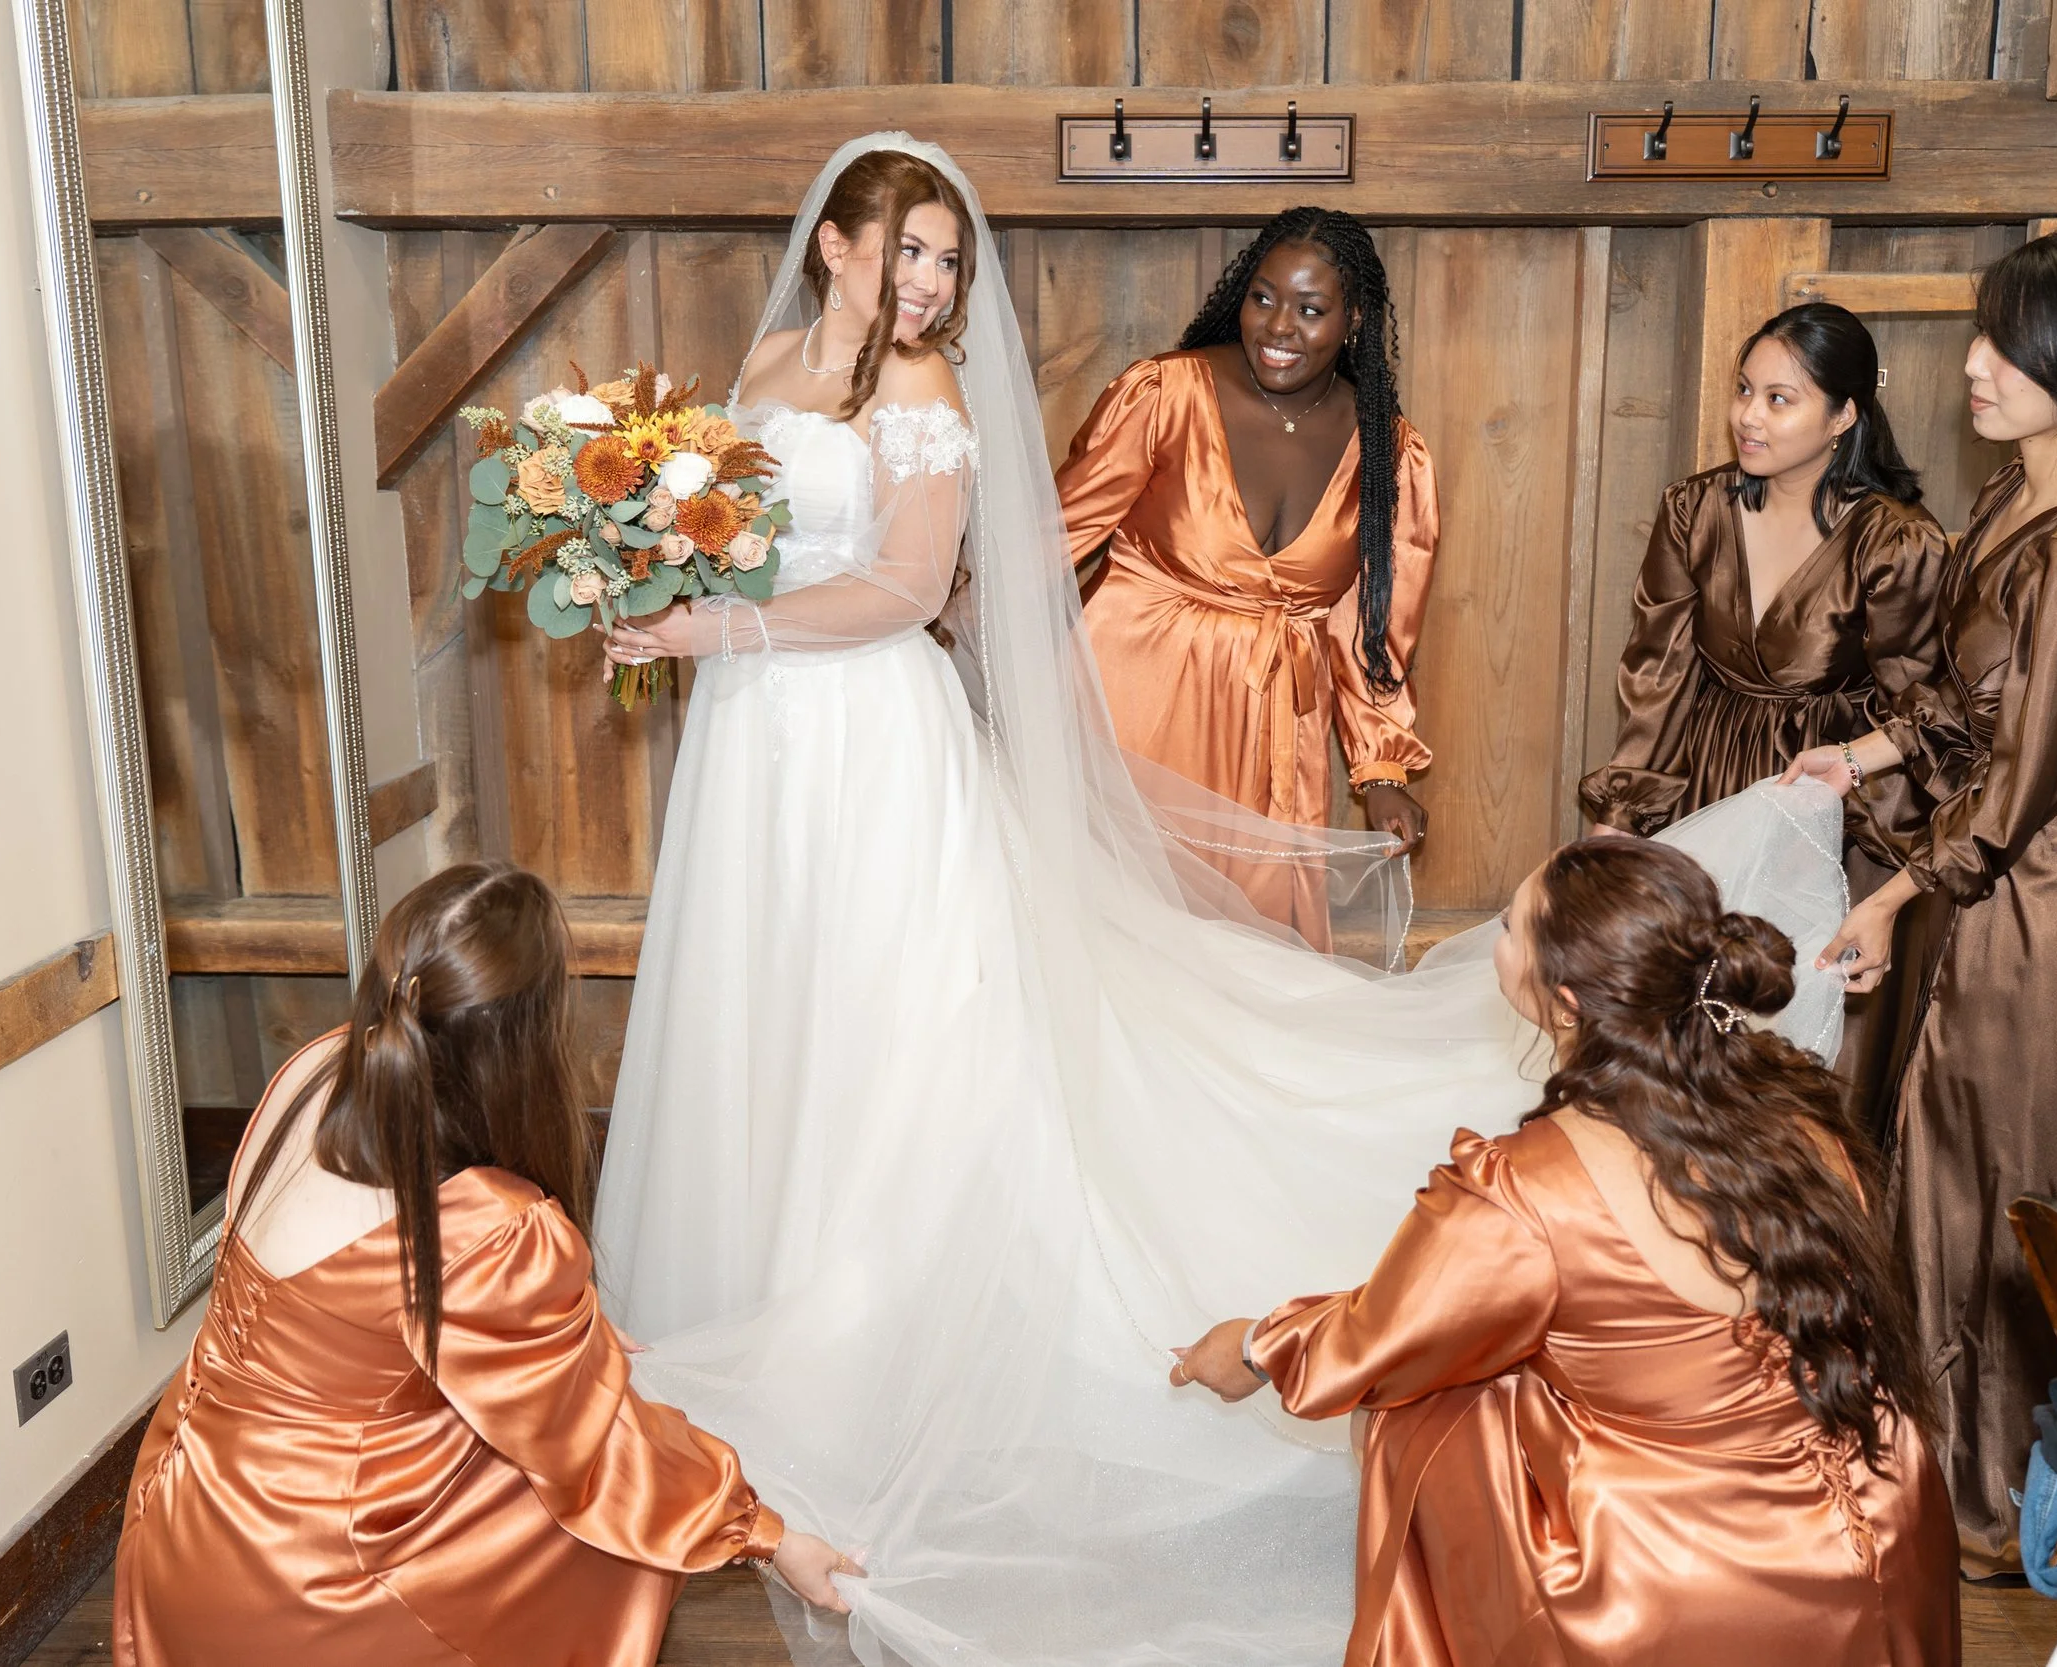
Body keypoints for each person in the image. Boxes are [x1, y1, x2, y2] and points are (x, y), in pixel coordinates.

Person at [590, 132, 1853, 1667]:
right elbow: (1021, 552)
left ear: (1351, 325)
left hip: (1160, 720)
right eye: (910, 253)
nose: (931, 283)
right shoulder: (881, 372)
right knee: (772, 995)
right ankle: (772, 1266)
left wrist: (1387, 759)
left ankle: (898, 1295)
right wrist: (657, 583)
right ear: (840, 247)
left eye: (948, 260)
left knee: (981, 1001)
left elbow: (1347, 617)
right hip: (903, 715)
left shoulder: (1325, 441)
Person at [1175, 837, 1960, 1667]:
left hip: (1691, 1582)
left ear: (1564, 1000)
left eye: (1508, 927)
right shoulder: (1803, 1116)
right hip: (1890, 1527)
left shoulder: (1524, 1188)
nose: (1492, 938)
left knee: (1436, 1404)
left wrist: (1257, 1345)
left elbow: (1377, 1340)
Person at [111, 863, 858, 1667]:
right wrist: (766, 1534)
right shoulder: (487, 1229)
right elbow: (603, 1451)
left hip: (176, 1521)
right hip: (304, 1591)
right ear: (519, 1048)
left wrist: (568, 1333)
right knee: (575, 1514)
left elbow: (369, 1327)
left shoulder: (318, 1070)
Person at [1785, 224, 2057, 1575]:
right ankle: (1940, 1449)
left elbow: (2032, 763)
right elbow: (1971, 699)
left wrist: (1897, 896)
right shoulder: (2015, 495)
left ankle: (2006, 1484)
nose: (1972, 365)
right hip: (2009, 848)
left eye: (2005, 346)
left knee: (2017, 1147)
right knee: (1950, 1134)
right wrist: (1858, 751)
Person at [1580, 303, 1947, 1133]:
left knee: (1801, 1063)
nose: (1749, 415)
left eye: (1781, 398)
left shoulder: (1896, 541)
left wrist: (1880, 850)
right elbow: (1657, 672)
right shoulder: (1694, 510)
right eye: (1745, 390)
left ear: (1844, 414)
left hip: (1830, 805)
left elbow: (1927, 701)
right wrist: (1621, 817)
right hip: (1706, 786)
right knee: (1684, 1044)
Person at [1055, 209, 1438, 939]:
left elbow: (1369, 628)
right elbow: (1055, 533)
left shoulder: (1389, 454)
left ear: (1354, 319)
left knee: (1254, 949)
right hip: (1131, 709)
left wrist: (1381, 769)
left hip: (1273, 734)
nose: (1278, 327)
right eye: (1263, 298)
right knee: (1124, 937)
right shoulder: (1164, 395)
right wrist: (959, 638)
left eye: (1311, 309)